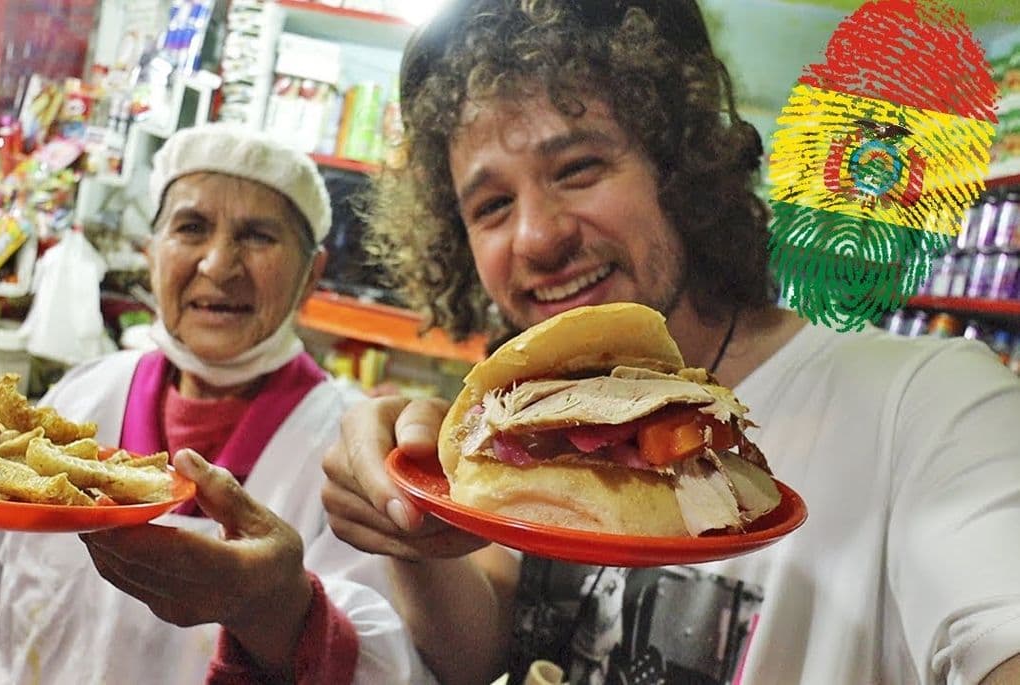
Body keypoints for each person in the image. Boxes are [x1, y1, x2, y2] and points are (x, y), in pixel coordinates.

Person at [318, 1, 1020, 684]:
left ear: (681, 169)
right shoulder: (524, 429)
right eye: (492, 205)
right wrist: (405, 522)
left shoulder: (929, 401)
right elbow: (484, 645)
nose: (536, 236)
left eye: (578, 168)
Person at [0, 124, 430, 684]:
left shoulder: (351, 453)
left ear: (311, 274)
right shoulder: (78, 398)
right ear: (152, 254)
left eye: (259, 236)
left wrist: (282, 611)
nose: (218, 264)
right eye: (191, 228)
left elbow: (378, 665)